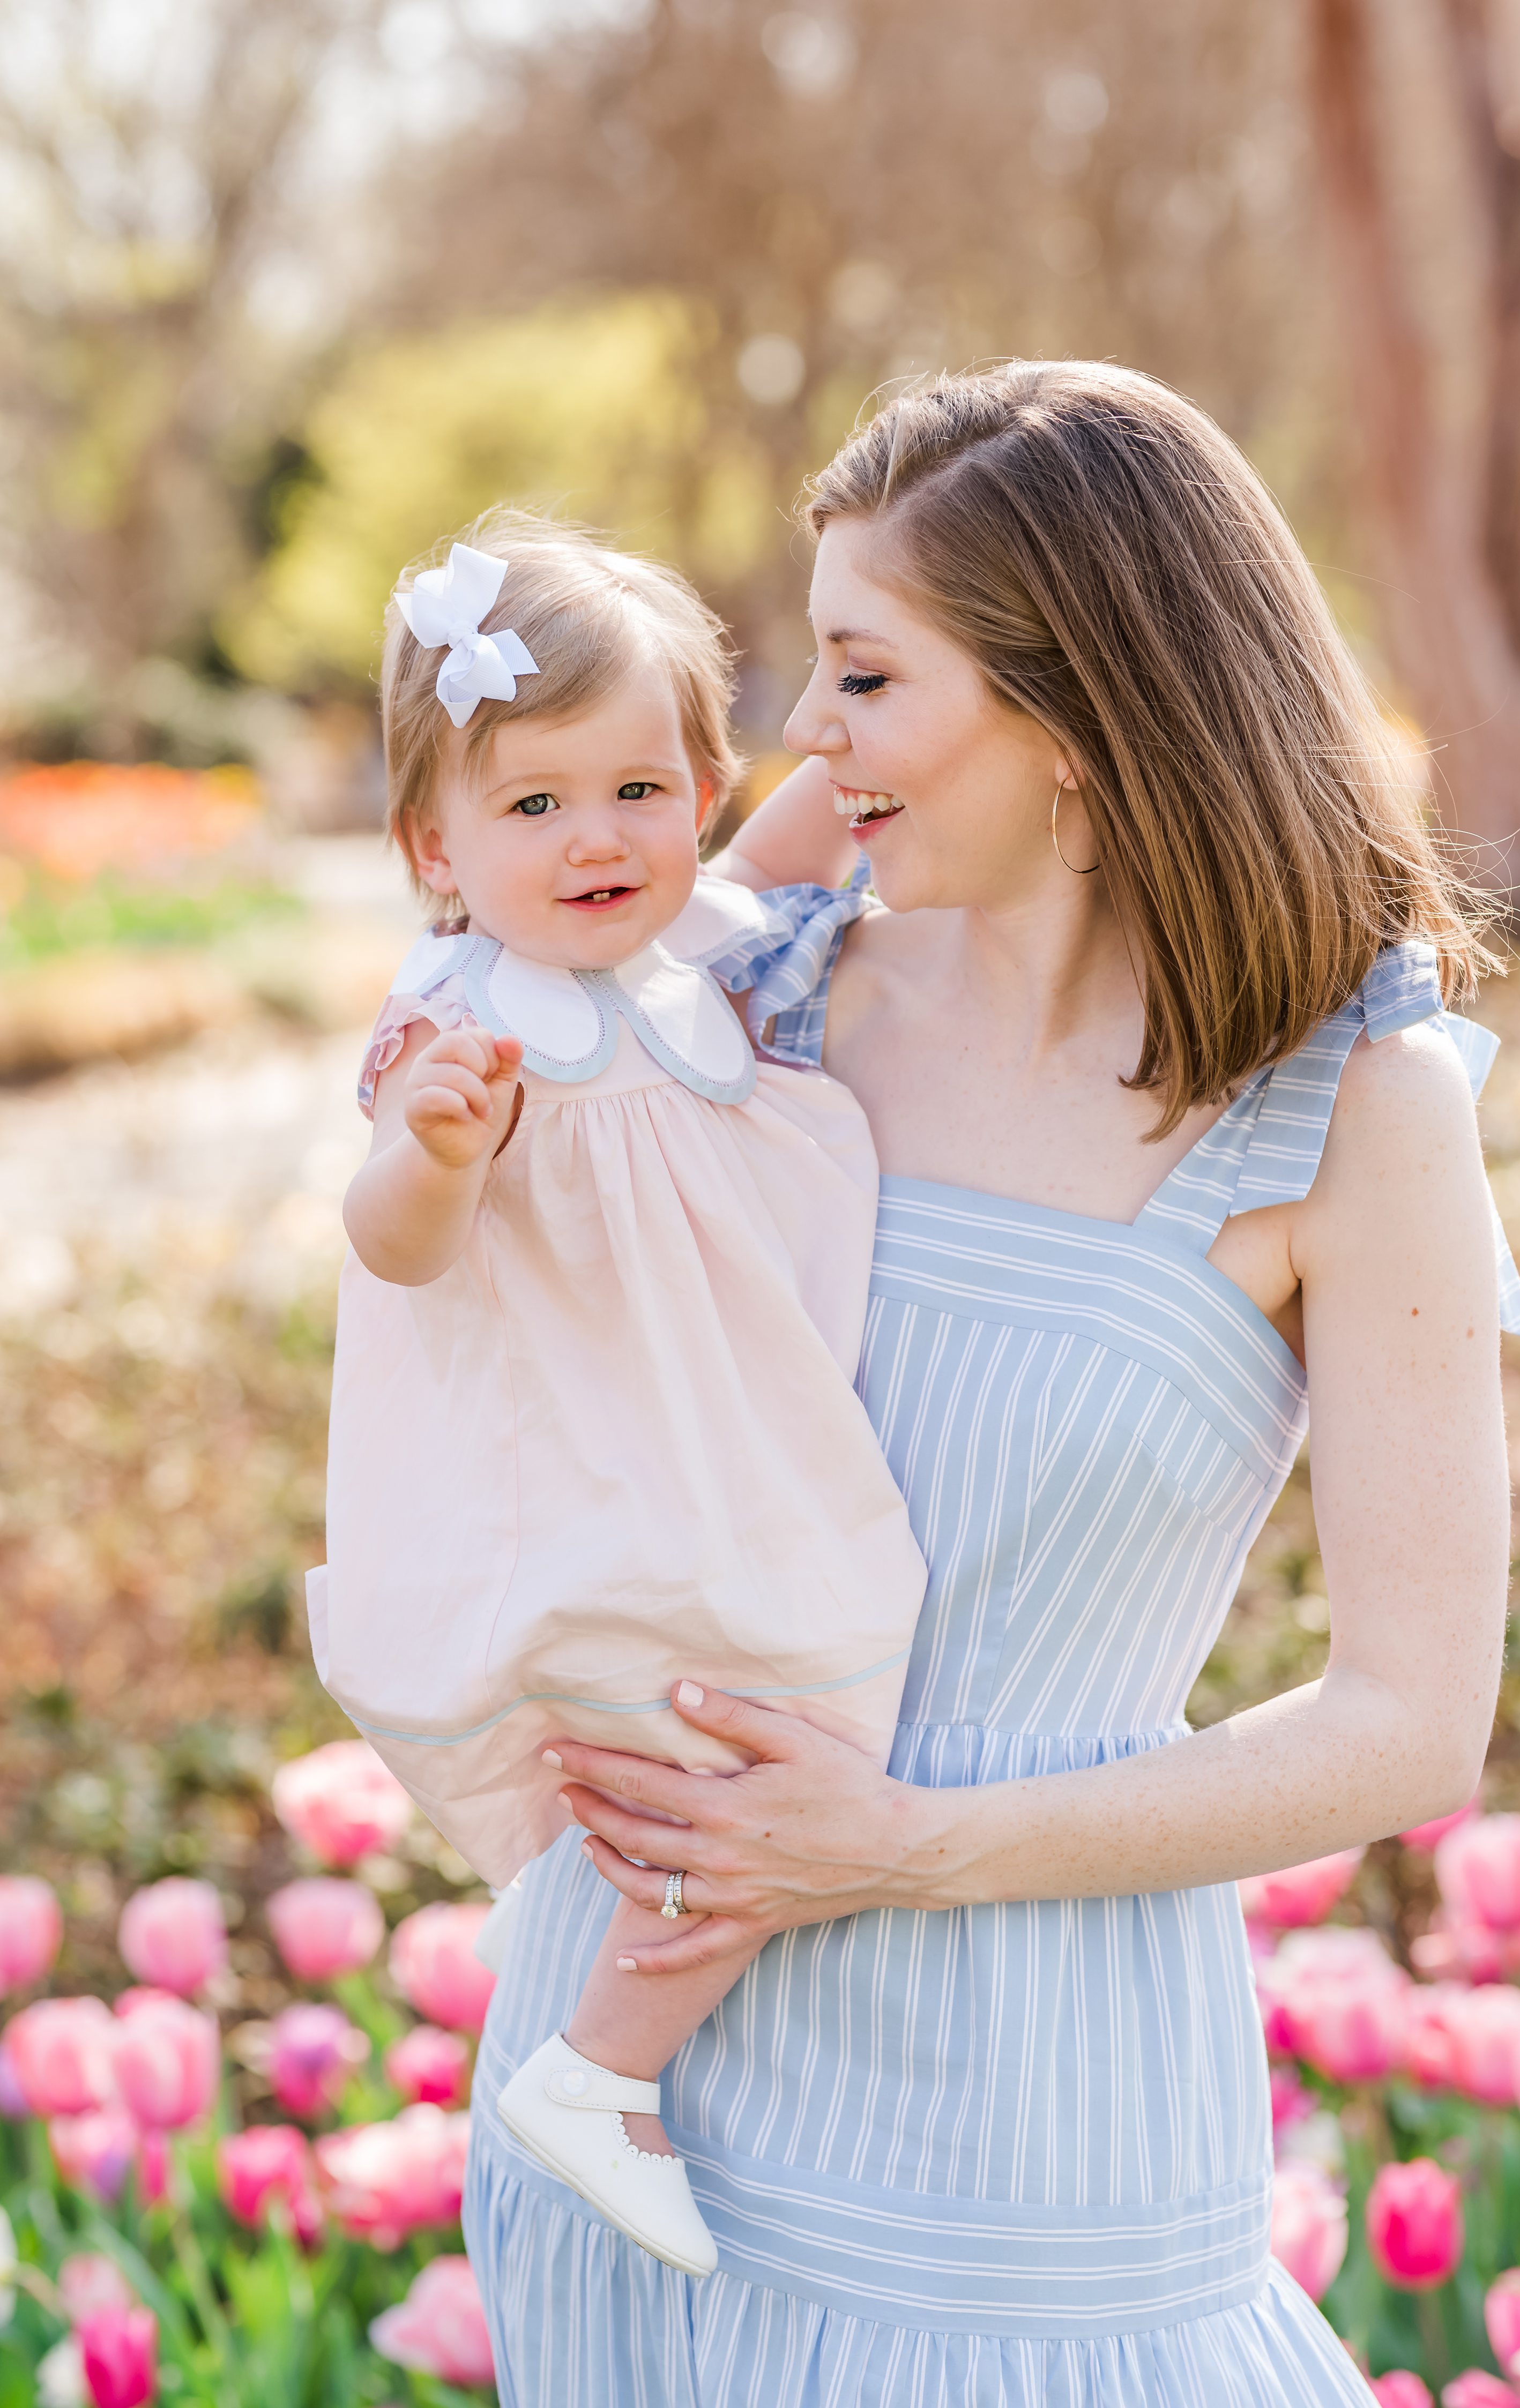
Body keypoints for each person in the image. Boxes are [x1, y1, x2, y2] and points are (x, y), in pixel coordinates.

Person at [463, 363, 1520, 2405]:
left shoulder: (1352, 1111)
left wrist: (901, 1848)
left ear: (1075, 715)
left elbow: (1415, 1723)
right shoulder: (757, 989)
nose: (805, 731)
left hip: (1027, 2135)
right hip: (628, 2086)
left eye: (867, 676)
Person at [314, 512, 927, 2280]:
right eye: (533, 806)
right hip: (597, 1499)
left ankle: (604, 2065)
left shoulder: (709, 950)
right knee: (763, 1758)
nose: (598, 839)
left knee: (811, 1723)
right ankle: (603, 2069)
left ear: (701, 789)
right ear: (436, 842)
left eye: (641, 791)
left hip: (732, 1470)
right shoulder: (465, 1019)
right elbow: (398, 1251)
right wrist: (431, 1154)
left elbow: (824, 808)